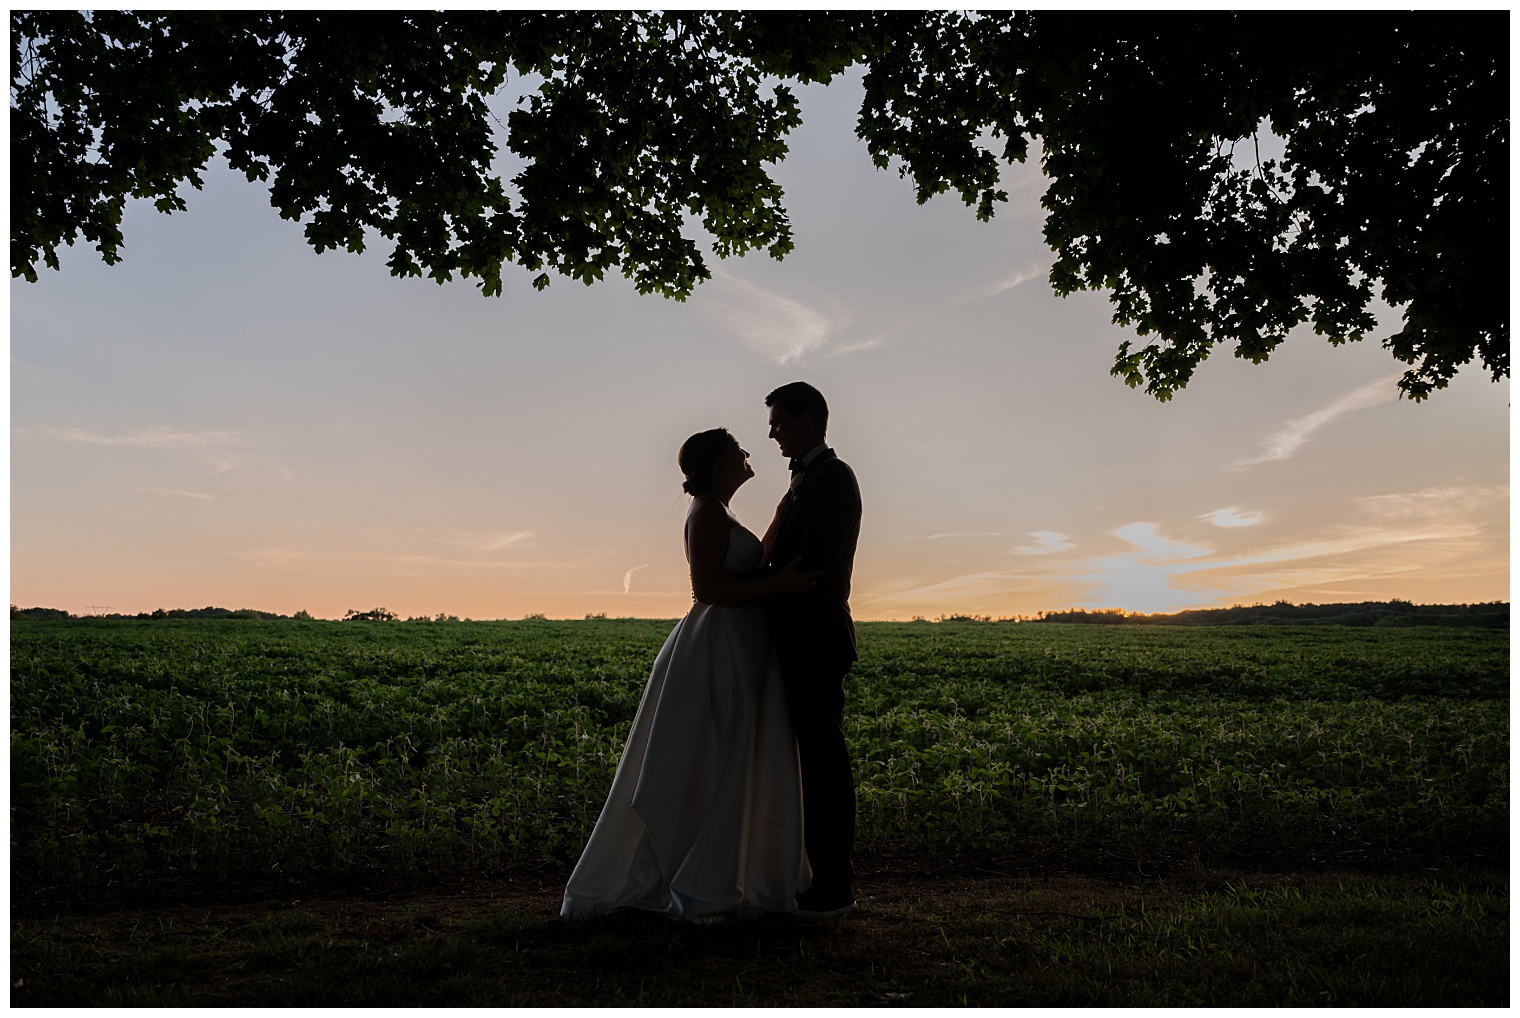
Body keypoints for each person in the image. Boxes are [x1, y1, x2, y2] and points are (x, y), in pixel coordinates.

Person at [561, 428, 820, 922]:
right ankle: (702, 877)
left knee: (732, 753)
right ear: (719, 464)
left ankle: (724, 868)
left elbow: (748, 562)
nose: (746, 454)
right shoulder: (704, 512)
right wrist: (777, 583)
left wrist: (776, 526)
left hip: (739, 643)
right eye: (737, 450)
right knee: (718, 754)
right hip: (718, 645)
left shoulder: (719, 512)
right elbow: (708, 587)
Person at [757, 382, 862, 918]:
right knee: (809, 763)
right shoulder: (804, 479)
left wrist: (756, 584)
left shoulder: (834, 478)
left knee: (824, 764)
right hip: (795, 638)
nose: (771, 431)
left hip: (816, 639)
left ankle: (834, 886)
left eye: (777, 420)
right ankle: (812, 876)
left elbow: (813, 561)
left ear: (805, 419)